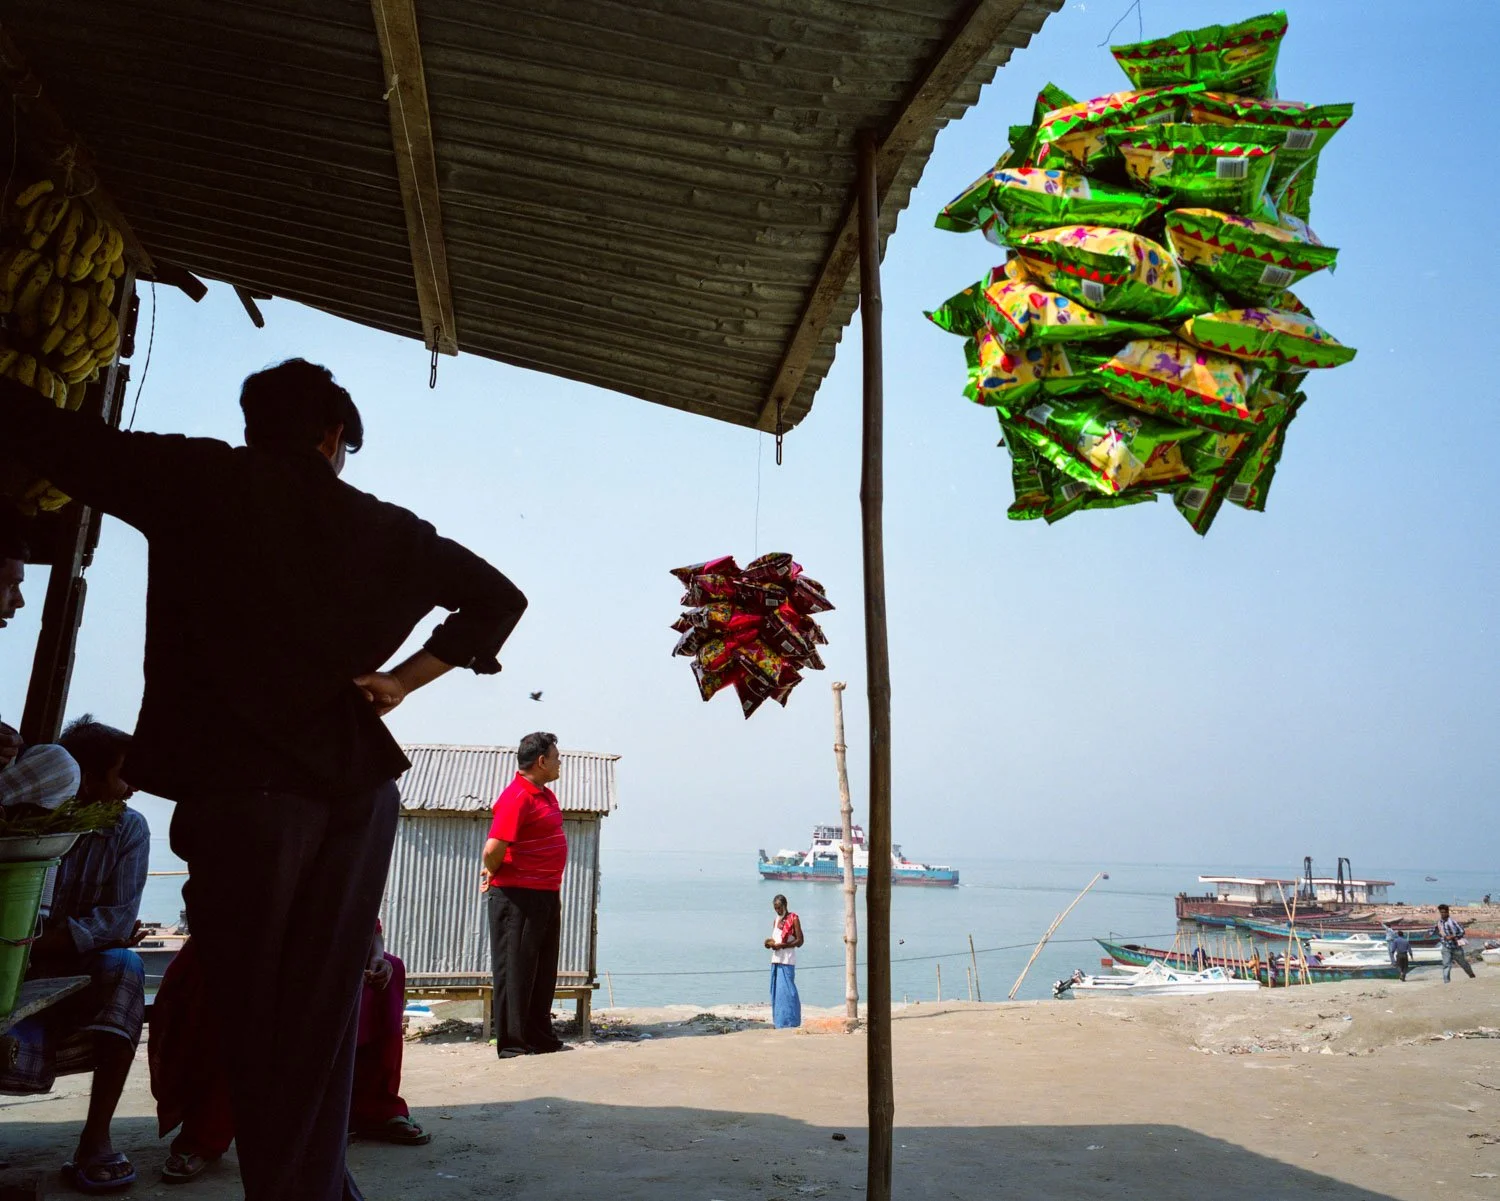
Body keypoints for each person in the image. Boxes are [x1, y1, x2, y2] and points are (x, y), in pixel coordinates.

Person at [0, 360, 528, 1201]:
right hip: (355, 792)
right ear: (330, 437)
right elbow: (498, 597)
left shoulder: (193, 476)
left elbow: (64, 442)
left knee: (252, 1022)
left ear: (253, 421)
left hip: (244, 795)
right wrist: (400, 680)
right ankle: (315, 1188)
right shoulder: (385, 526)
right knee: (318, 1022)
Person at [151, 921, 428, 1185]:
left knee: (390, 969)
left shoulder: (343, 871)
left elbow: (369, 923)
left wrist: (375, 956)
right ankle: (204, 1134)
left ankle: (372, 1108)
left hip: (321, 952)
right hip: (246, 947)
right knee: (235, 994)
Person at [0, 716, 148, 1192]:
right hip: (10, 961)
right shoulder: (21, 819)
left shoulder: (129, 830)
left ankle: (95, 1138)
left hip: (70, 962)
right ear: (83, 776)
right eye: (124, 774)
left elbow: (116, 922)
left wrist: (32, 943)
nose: (132, 789)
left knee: (126, 966)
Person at [482, 732, 568, 1058]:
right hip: (516, 896)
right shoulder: (516, 796)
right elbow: (492, 848)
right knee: (514, 969)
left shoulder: (545, 795)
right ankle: (513, 1044)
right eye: (557, 757)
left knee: (542, 969)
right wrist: (493, 870)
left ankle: (539, 1036)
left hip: (546, 893)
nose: (561, 762)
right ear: (542, 761)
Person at [766, 894, 803, 1029]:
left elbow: (800, 941)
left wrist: (783, 946)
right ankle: (780, 1022)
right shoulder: (776, 920)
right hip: (776, 960)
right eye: (775, 908)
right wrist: (771, 944)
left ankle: (792, 1021)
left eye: (779, 908)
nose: (777, 911)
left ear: (785, 905)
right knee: (777, 992)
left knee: (788, 991)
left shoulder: (793, 918)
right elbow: (775, 937)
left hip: (787, 960)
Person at [1431, 904, 1475, 983]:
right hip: (1446, 947)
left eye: (1444, 912)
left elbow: (1462, 931)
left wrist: (1452, 936)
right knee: (1446, 964)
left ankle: (1471, 975)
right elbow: (1433, 930)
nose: (1443, 914)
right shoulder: (1439, 923)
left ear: (1448, 912)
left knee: (1463, 963)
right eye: (1441, 912)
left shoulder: (1453, 922)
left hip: (1456, 947)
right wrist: (1428, 934)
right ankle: (1446, 981)